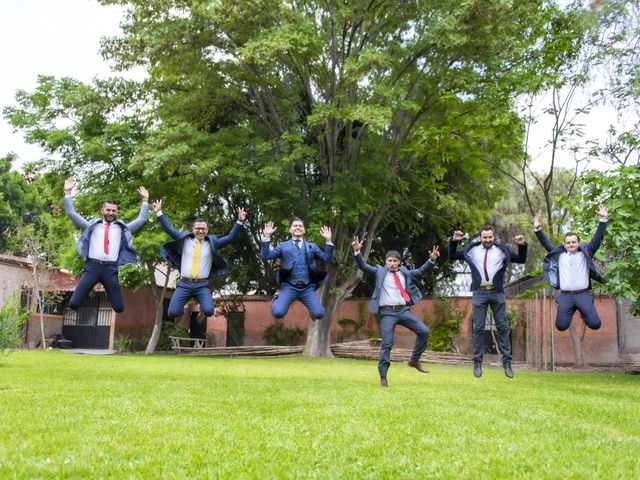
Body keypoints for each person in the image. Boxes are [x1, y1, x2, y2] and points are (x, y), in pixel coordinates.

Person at [352, 236, 440, 387]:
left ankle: (414, 360)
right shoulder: (379, 271)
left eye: (395, 261)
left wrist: (431, 260)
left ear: (399, 262)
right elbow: (364, 266)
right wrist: (357, 251)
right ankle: (383, 378)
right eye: (389, 261)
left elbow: (420, 272)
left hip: (403, 310)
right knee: (387, 344)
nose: (392, 264)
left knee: (424, 331)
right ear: (386, 262)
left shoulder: (405, 272)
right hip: (387, 313)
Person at [449, 226, 527, 378]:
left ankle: (507, 363)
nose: (487, 240)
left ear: (494, 236)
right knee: (478, 327)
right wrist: (454, 242)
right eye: (485, 237)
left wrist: (521, 245)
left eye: (490, 237)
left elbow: (521, 259)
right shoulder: (471, 250)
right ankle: (477, 362)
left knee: (503, 326)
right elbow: (452, 256)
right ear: (480, 237)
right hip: (479, 292)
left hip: (497, 292)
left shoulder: (502, 250)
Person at [63, 176, 149, 313]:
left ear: (117, 213)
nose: (111, 213)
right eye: (108, 210)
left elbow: (142, 219)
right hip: (92, 267)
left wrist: (145, 200)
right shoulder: (91, 226)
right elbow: (72, 213)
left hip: (110, 270)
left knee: (119, 308)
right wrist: (68, 192)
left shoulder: (122, 229)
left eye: (113, 211)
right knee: (73, 304)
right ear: (102, 211)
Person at [152, 199, 246, 319]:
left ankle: (200, 303)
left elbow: (230, 238)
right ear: (193, 230)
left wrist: (239, 221)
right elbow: (169, 229)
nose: (200, 231)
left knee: (208, 311)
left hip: (202, 285)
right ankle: (184, 308)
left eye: (203, 229)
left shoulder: (213, 242)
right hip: (184, 284)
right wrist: (159, 212)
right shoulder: (184, 240)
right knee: (172, 313)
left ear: (207, 230)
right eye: (198, 228)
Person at [533, 206, 608, 332]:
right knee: (561, 326)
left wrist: (603, 219)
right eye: (568, 243)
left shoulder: (586, 253)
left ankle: (584, 312)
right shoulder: (559, 255)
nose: (571, 244)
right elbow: (546, 243)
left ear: (578, 243)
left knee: (595, 324)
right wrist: (537, 230)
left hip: (583, 294)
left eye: (573, 242)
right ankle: (570, 308)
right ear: (564, 244)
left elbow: (597, 239)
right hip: (566, 296)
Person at [261, 218, 333, 320]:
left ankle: (313, 311)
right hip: (289, 286)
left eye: (300, 226)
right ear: (290, 230)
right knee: (278, 313)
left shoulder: (312, 246)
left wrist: (328, 240)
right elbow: (265, 256)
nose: (298, 227)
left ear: (304, 230)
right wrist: (267, 236)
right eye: (295, 226)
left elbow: (327, 259)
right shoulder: (283, 246)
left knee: (319, 314)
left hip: (307, 287)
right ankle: (276, 297)